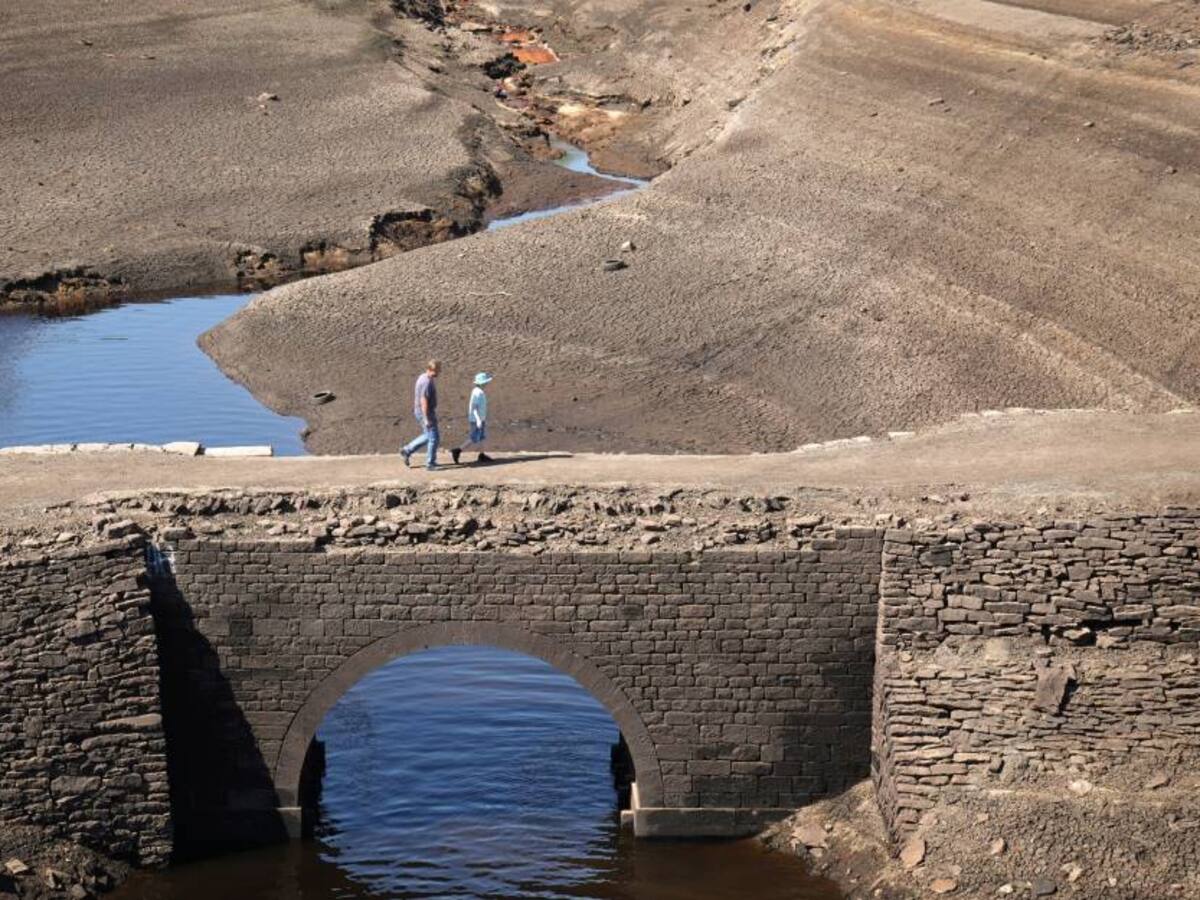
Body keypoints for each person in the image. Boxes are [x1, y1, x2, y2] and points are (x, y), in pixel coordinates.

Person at [401, 359, 440, 470]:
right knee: (433, 437)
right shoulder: (426, 382)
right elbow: (424, 401)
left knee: (429, 436)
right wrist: (426, 418)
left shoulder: (424, 377)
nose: (439, 372)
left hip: (424, 412)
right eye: (437, 370)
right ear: (431, 369)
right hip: (425, 413)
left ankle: (407, 450)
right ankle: (430, 464)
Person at [451, 372, 493, 465]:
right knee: (474, 438)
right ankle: (458, 450)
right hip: (476, 420)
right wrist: (478, 419)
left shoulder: (479, 391)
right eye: (485, 382)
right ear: (482, 383)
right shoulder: (477, 393)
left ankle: (482, 455)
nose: (487, 384)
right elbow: (474, 407)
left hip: (480, 419)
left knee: (481, 437)